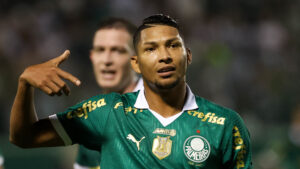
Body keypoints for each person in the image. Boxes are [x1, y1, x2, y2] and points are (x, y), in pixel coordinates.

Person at [9, 14, 252, 168]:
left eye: (172, 46)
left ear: (187, 56)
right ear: (135, 63)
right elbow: (24, 137)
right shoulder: (107, 112)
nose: (164, 56)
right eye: (151, 49)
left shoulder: (225, 124)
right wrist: (25, 85)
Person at [74, 18, 143, 169]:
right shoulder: (90, 118)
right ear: (92, 57)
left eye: (117, 50)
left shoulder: (162, 108)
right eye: (100, 50)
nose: (106, 60)